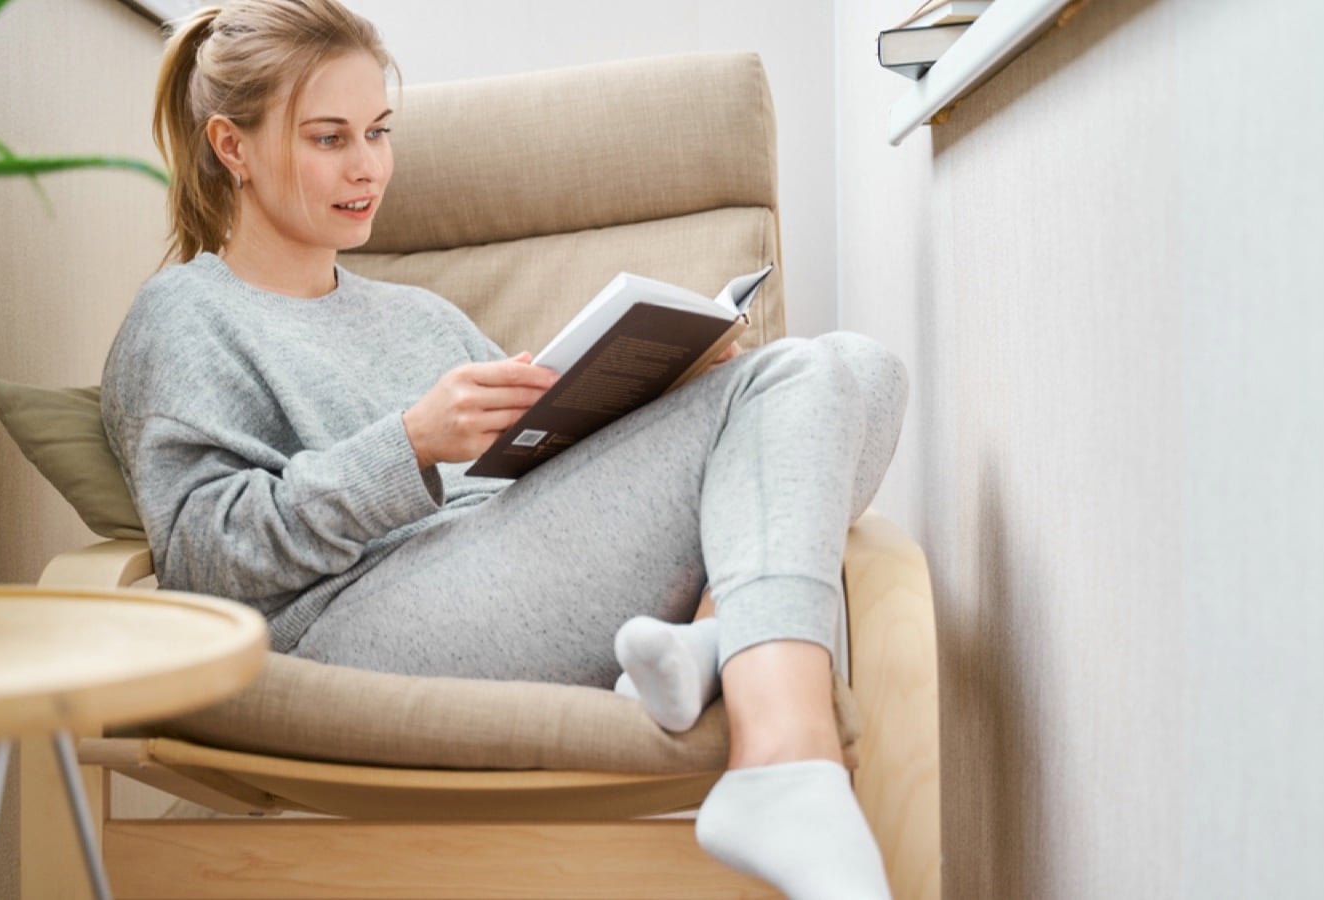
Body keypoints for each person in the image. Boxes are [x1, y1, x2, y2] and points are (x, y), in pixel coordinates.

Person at [102, 2, 907, 897]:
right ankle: (783, 756)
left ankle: (711, 645)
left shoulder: (417, 313)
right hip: (354, 624)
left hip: (505, 561)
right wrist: (409, 445)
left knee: (861, 369)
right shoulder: (185, 317)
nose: (368, 166)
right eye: (330, 138)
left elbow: (533, 465)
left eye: (378, 131)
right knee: (796, 380)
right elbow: (203, 559)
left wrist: (660, 392)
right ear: (232, 146)